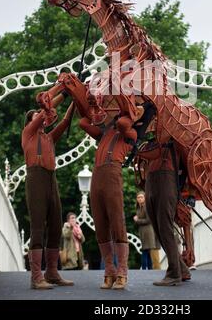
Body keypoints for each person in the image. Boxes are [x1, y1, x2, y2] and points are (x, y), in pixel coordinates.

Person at [79, 113, 137, 290]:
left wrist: (122, 111)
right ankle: (110, 271)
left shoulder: (131, 133)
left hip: (113, 172)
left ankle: (122, 272)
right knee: (100, 223)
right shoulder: (104, 132)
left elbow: (122, 122)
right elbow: (82, 122)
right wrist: (96, 113)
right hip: (97, 174)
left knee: (117, 222)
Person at [22, 101, 74, 289]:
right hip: (35, 178)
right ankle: (36, 277)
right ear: (30, 121)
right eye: (35, 114)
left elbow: (66, 121)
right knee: (37, 227)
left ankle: (51, 272)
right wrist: (60, 94)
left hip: (52, 179)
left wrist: (74, 99)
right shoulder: (28, 133)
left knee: (56, 225)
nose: (39, 115)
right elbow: (44, 113)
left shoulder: (49, 138)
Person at [135, 138, 191, 286]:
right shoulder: (151, 141)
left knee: (165, 229)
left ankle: (174, 274)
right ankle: (182, 269)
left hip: (167, 182)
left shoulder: (176, 140)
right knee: (159, 230)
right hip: (151, 183)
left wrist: (187, 194)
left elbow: (188, 165)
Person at [133, 191, 157, 270]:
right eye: (138, 197)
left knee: (145, 250)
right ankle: (150, 269)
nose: (139, 199)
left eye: (141, 197)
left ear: (144, 198)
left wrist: (137, 220)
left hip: (148, 231)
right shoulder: (138, 207)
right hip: (143, 231)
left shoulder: (146, 207)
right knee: (147, 250)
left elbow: (149, 220)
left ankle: (144, 269)